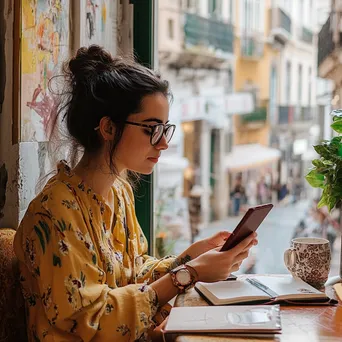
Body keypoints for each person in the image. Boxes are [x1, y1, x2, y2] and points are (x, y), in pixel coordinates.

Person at [13, 45, 258, 342]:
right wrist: (190, 273)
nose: (163, 143)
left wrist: (193, 256)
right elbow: (94, 320)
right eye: (152, 129)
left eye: (165, 129)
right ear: (108, 129)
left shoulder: (119, 192)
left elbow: (133, 275)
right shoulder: (55, 211)